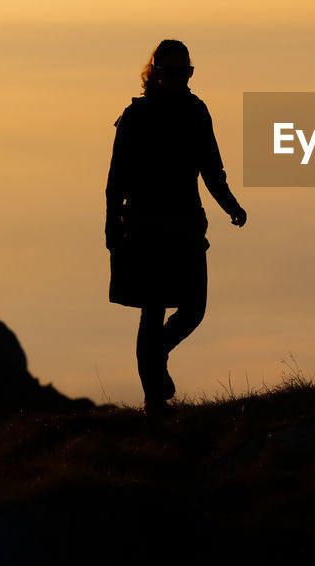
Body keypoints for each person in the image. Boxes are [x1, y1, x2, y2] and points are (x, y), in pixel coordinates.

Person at [105, 39, 247, 414]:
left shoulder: (196, 112)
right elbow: (116, 177)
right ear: (155, 73)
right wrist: (112, 225)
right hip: (145, 226)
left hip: (186, 223)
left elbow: (211, 169)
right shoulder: (135, 117)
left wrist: (231, 205)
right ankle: (153, 398)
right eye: (172, 72)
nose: (180, 79)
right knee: (152, 309)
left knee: (194, 308)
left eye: (186, 72)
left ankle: (156, 359)